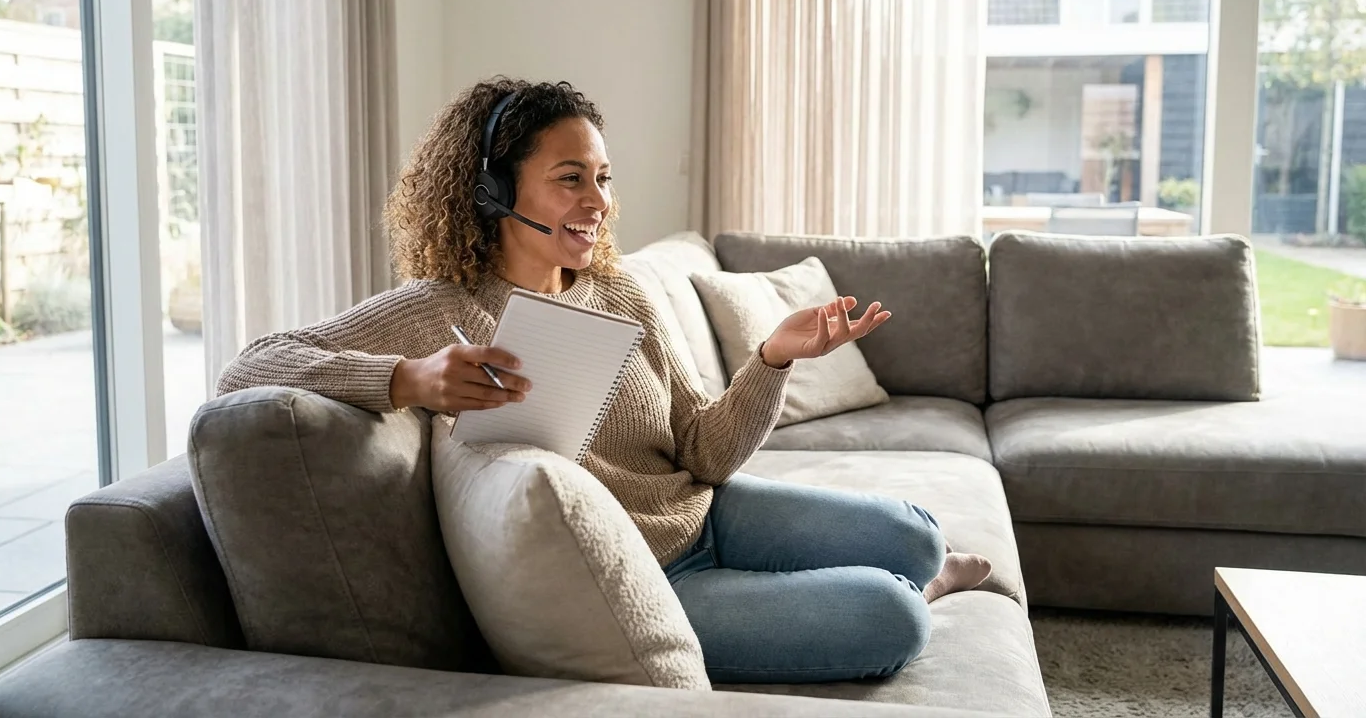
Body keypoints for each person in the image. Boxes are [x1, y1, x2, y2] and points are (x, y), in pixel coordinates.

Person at [217, 77, 992, 684]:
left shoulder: (621, 293)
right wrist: (409, 379)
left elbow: (706, 453)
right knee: (893, 614)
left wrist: (772, 359)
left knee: (917, 533)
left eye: (603, 177)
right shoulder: (435, 310)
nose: (599, 203)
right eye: (570, 179)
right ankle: (916, 594)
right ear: (494, 191)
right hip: (650, 580)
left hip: (707, 514)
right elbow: (250, 365)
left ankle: (916, 570)